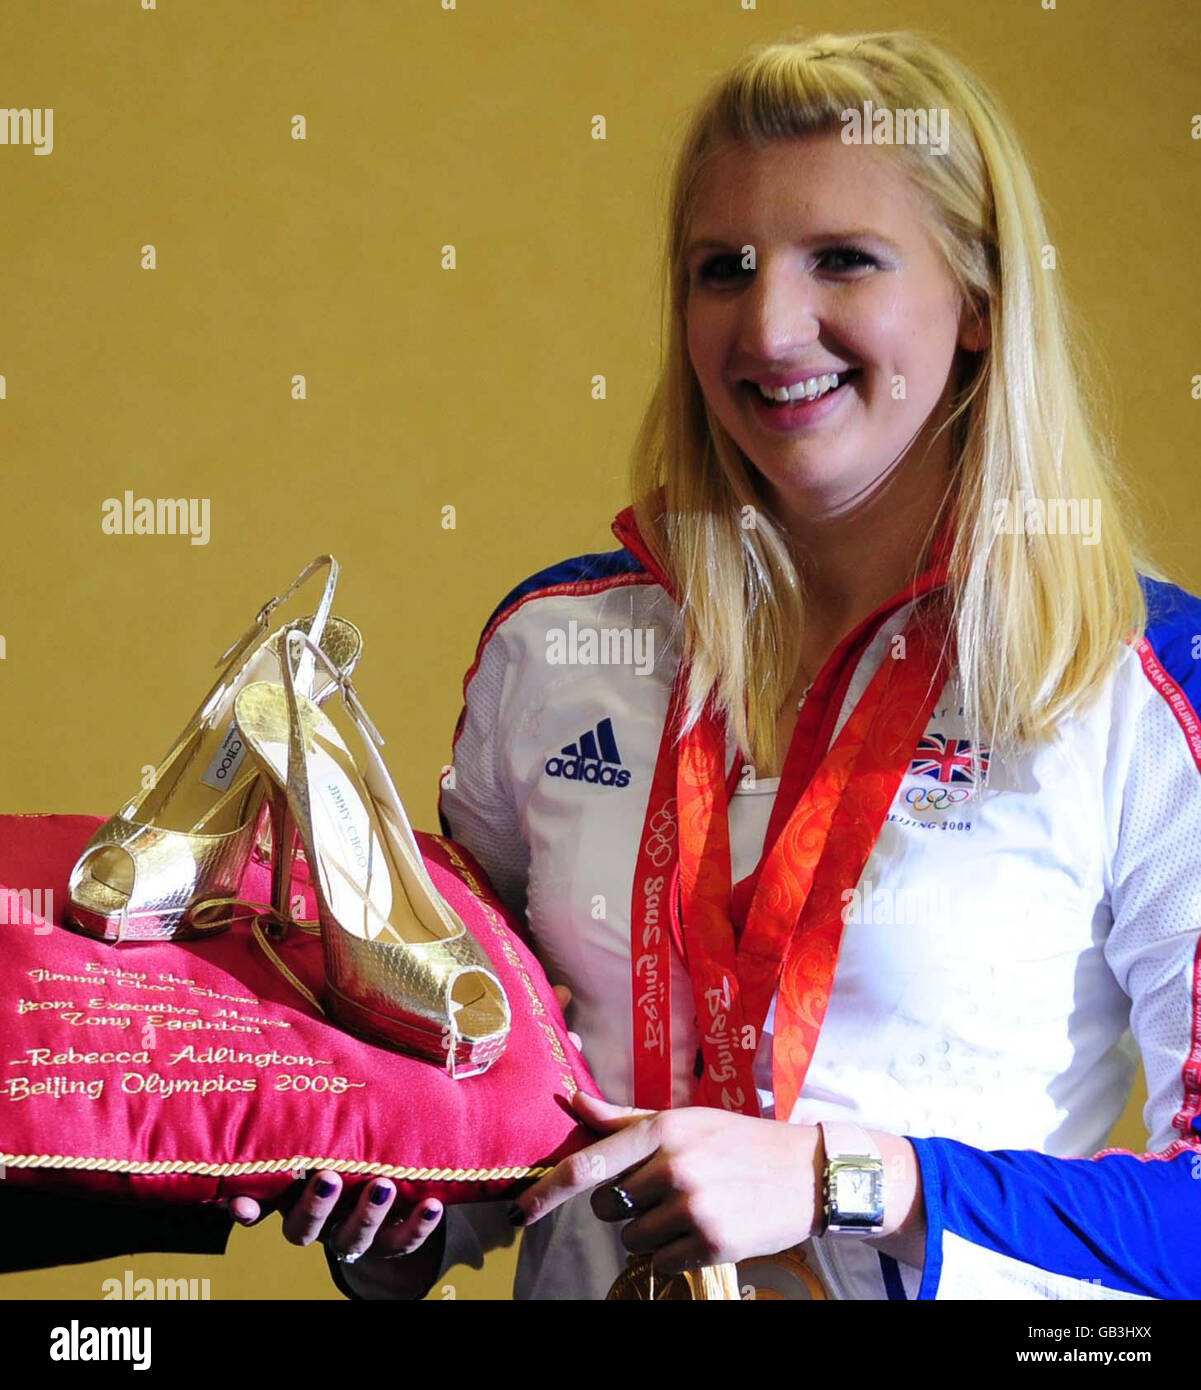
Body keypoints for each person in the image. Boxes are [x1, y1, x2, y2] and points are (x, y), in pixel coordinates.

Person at [227, 27, 1201, 1300]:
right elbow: (482, 1110)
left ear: (978, 302)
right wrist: (382, 1180)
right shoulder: (556, 646)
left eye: (840, 260)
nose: (770, 324)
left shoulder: (1138, 686)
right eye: (721, 268)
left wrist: (846, 1177)